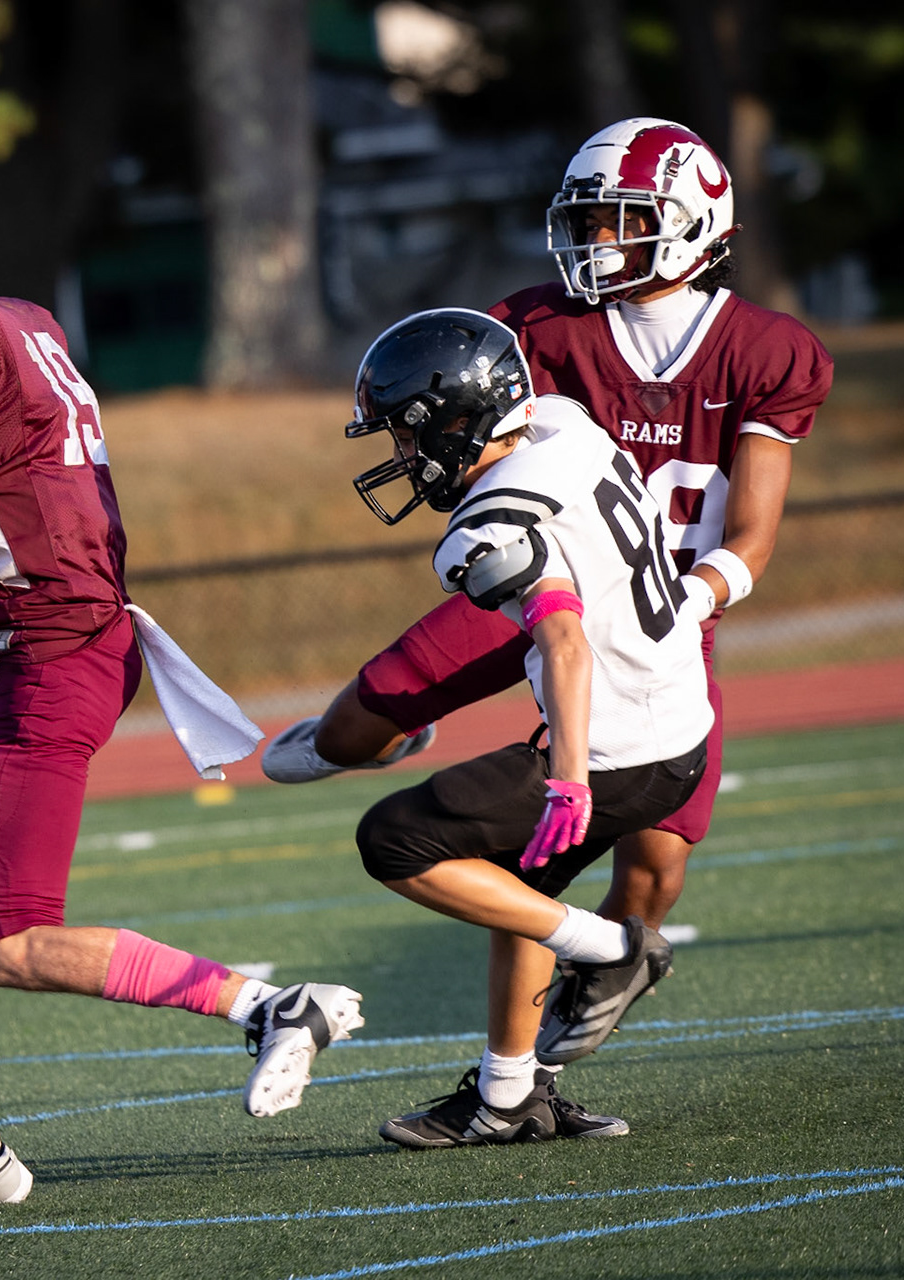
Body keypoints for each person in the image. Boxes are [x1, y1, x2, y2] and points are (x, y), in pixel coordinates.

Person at [0, 157, 364, 1216]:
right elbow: (8, 533)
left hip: (50, 653)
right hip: (47, 633)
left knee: (11, 939)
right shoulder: (18, 320)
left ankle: (270, 1005)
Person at [264, 119, 831, 1080]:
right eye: (588, 220)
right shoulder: (542, 328)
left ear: (691, 224)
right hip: (535, 587)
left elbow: (753, 536)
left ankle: (586, 990)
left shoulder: (767, 351)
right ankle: (377, 744)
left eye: (619, 220)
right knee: (346, 732)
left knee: (656, 861)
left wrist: (678, 607)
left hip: (662, 612)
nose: (595, 241)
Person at [335, 307, 711, 1148]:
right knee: (517, 885)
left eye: (405, 435)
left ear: (457, 423)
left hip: (618, 745)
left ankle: (612, 948)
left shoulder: (483, 530)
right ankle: (510, 1096)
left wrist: (569, 779)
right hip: (678, 719)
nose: (400, 458)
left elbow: (565, 641)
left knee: (393, 840)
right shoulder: (561, 422)